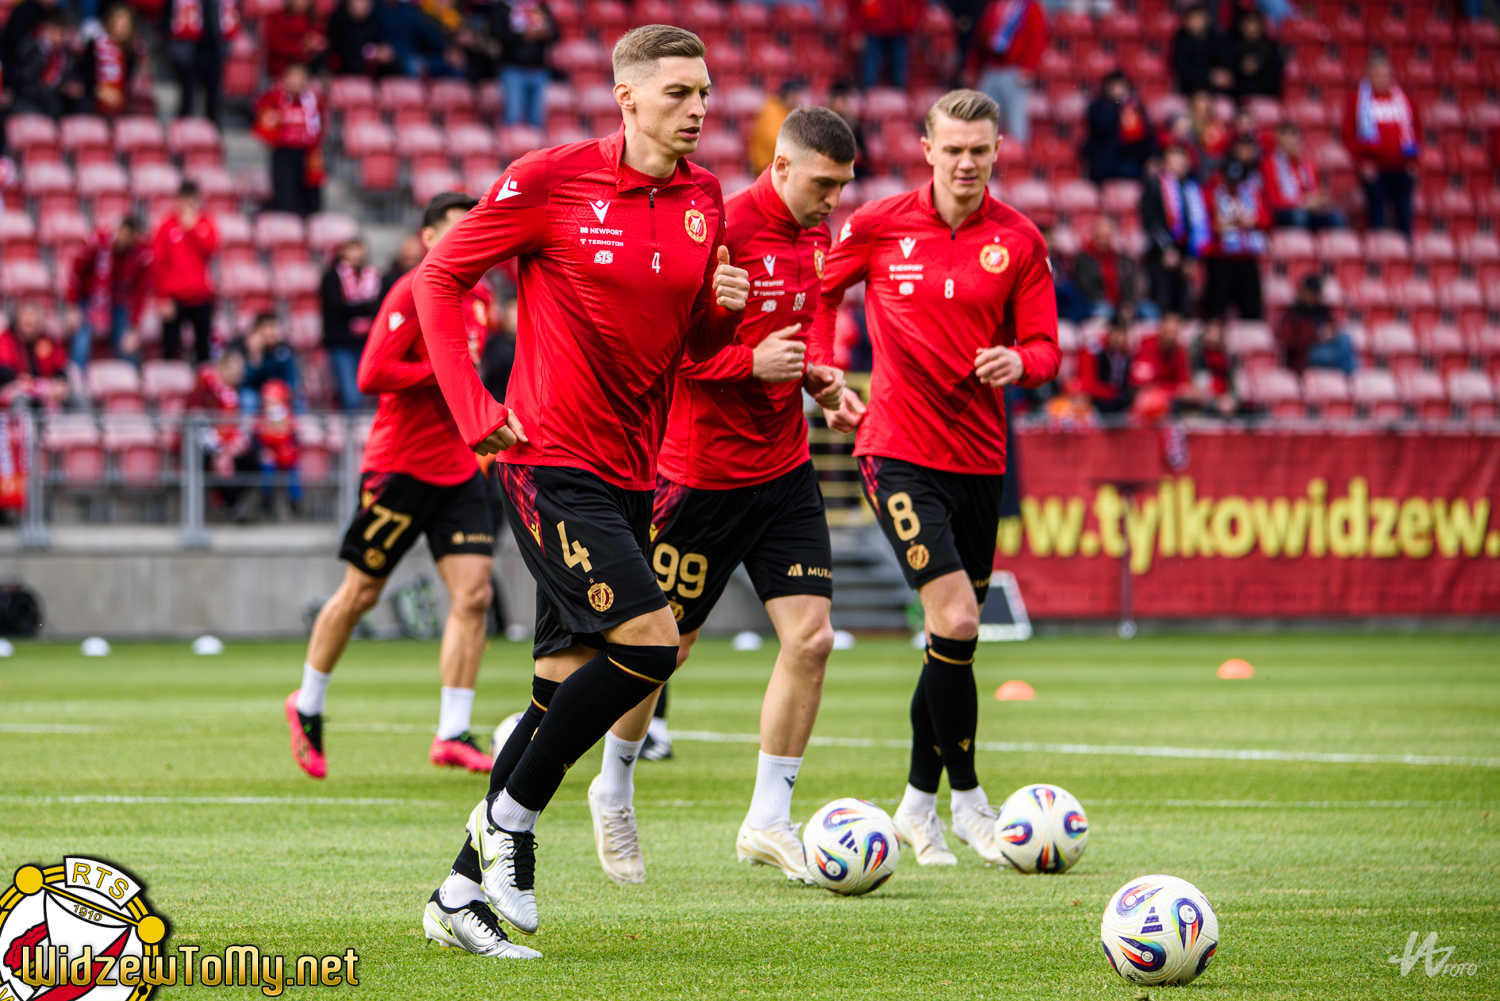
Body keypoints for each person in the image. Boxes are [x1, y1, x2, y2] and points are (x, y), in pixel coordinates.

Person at [411, 25, 750, 955]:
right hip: (548, 459)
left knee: (556, 689)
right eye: (678, 92)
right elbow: (439, 278)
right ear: (626, 96)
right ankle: (509, 821)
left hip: (631, 470)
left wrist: (723, 316)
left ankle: (457, 895)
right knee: (653, 644)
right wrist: (472, 405)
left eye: (705, 91)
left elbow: (688, 345)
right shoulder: (551, 179)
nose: (698, 108)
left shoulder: (706, 199)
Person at [583, 107, 855, 886]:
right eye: (824, 183)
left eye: (843, 186)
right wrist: (749, 364)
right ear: (781, 166)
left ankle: (769, 819)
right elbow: (665, 350)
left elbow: (806, 323)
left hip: (785, 471)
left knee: (812, 638)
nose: (834, 200)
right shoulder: (718, 229)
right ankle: (614, 785)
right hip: (698, 476)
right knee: (662, 648)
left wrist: (817, 375)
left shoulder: (817, 237)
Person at [811, 90, 1060, 867]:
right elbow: (821, 292)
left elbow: (1047, 347)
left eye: (979, 150)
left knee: (951, 636)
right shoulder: (879, 224)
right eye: (952, 148)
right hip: (896, 448)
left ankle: (918, 804)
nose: (965, 162)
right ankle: (970, 802)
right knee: (954, 618)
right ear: (926, 149)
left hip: (980, 457)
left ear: (997, 151)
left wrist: (1020, 361)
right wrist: (824, 372)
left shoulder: (1019, 240)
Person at [287, 191, 500, 796]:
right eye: (457, 230)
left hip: (457, 471)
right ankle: (308, 702)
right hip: (399, 469)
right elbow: (371, 374)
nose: (469, 240)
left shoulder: (480, 300)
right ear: (429, 239)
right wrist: (441, 370)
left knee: (475, 594)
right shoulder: (411, 291)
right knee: (361, 593)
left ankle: (452, 732)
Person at [1344, 54, 1420, 239]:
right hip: (1374, 170)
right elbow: (1348, 134)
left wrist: (1414, 161)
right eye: (1377, 74)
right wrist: (1361, 162)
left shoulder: (1405, 101)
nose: (1382, 78)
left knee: (1405, 215)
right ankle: (1378, 252)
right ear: (1368, 75)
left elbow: (1417, 130)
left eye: (1385, 74)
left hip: (1403, 168)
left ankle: (1405, 251)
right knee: (1377, 217)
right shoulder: (1357, 101)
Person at [67, 216, 150, 370]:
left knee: (127, 344)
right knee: (81, 342)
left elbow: (140, 292)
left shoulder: (139, 255)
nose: (124, 239)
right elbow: (76, 273)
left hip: (118, 300)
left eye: (129, 236)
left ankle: (130, 379)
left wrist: (134, 327)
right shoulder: (97, 244)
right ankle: (75, 376)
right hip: (90, 297)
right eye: (122, 233)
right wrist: (73, 306)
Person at [1202, 133, 1268, 320]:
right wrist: (1218, 224)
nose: (1234, 183)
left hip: (1247, 257)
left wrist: (1252, 220)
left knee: (1251, 312)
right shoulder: (1212, 190)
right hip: (1220, 257)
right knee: (1216, 311)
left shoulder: (1251, 191)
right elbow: (1203, 221)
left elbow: (1266, 218)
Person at [152, 181, 219, 364]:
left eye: (192, 201)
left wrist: (193, 229)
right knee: (171, 349)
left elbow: (211, 248)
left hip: (200, 295)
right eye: (185, 200)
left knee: (203, 350)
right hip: (175, 297)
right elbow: (159, 263)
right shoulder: (167, 225)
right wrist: (163, 297)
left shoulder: (205, 223)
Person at [1140, 146, 1209, 317]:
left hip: (1184, 253)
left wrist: (1191, 256)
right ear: (1165, 165)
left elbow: (1197, 224)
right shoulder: (1155, 187)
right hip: (1162, 253)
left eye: (1181, 162)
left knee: (1183, 303)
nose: (1178, 167)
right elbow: (1152, 222)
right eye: (1173, 163)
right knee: (1163, 302)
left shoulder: (1191, 189)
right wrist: (1167, 249)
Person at [966, 0, 1045, 146]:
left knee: (1016, 120)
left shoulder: (1029, 7)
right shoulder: (994, 5)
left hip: (1014, 71)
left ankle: (1018, 156)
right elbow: (980, 37)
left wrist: (1029, 67)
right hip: (990, 69)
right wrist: (974, 66)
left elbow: (1037, 38)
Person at [253, 62, 325, 217]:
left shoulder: (314, 100)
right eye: (292, 77)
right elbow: (261, 117)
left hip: (308, 153)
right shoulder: (274, 97)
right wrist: (270, 137)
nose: (295, 81)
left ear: (306, 81)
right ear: (285, 79)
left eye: (300, 78)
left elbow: (320, 125)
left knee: (312, 201)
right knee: (284, 199)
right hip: (283, 153)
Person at [320, 238, 382, 410]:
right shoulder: (332, 277)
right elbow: (337, 309)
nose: (356, 254)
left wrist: (357, 308)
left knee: (368, 394)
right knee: (351, 396)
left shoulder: (374, 275)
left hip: (367, 343)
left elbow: (380, 305)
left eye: (359, 249)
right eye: (351, 249)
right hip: (341, 344)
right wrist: (367, 307)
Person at [165, 0, 237, 124]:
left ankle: (212, 130)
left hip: (213, 47)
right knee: (187, 97)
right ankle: (183, 130)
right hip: (188, 46)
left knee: (212, 99)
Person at [1262, 122, 1342, 230]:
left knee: (1335, 218)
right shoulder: (1270, 163)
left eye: (1293, 135)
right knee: (1299, 217)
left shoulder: (1307, 163)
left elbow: (1316, 190)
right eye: (1286, 135)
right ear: (1278, 139)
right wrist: (1301, 203)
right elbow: (1273, 199)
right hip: (1285, 210)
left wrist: (1318, 200)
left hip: (1308, 209)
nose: (1290, 140)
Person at [491, 0, 556, 128]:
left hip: (538, 68)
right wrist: (523, 36)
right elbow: (496, 32)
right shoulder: (504, 7)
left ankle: (535, 141)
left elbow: (555, 33)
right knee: (513, 116)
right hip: (513, 67)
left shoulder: (539, 7)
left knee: (537, 118)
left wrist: (543, 34)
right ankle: (511, 140)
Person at [1081, 71, 1155, 183]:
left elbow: (1145, 136)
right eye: (1116, 86)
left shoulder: (1134, 109)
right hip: (1105, 164)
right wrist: (1118, 103)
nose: (1120, 90)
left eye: (1123, 86)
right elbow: (1103, 126)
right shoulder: (1096, 107)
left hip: (1131, 160)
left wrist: (1151, 157)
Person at [9, 9, 83, 118]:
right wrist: (60, 89)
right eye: (56, 32)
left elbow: (72, 75)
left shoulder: (67, 53)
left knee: (82, 105)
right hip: (29, 99)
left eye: (63, 33)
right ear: (45, 30)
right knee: (52, 106)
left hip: (56, 98)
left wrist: (73, 86)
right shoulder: (32, 50)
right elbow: (26, 85)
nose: (59, 38)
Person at [74, 4, 143, 117]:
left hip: (120, 104)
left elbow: (130, 82)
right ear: (110, 22)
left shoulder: (130, 52)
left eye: (125, 24)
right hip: (93, 102)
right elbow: (83, 75)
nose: (122, 27)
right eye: (119, 23)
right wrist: (98, 91)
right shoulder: (95, 44)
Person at [1277, 274, 1354, 375]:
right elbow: (1289, 342)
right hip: (1306, 354)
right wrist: (1317, 335)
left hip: (1327, 347)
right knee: (1350, 361)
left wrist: (1332, 332)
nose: (1313, 297)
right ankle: (1347, 375)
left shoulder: (1323, 311)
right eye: (1311, 293)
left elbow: (1334, 327)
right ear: (1303, 292)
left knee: (1344, 338)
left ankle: (1347, 376)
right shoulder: (1293, 314)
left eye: (1316, 294)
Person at [0, 304, 69, 408]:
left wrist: (59, 384)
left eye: (33, 323)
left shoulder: (46, 340)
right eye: (26, 322)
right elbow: (5, 372)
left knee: (75, 395)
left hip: (44, 390)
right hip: (13, 389)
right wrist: (27, 383)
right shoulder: (7, 339)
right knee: (21, 400)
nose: (29, 323)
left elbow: (59, 368)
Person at [1073, 216, 1140, 318]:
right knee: (1105, 311)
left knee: (1149, 310)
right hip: (1096, 303)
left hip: (1120, 304)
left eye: (1107, 236)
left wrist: (1127, 304)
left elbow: (1129, 284)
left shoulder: (1119, 258)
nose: (1103, 240)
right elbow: (1086, 288)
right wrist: (1115, 308)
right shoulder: (1084, 258)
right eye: (1100, 235)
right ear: (1094, 234)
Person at [853, 0, 922, 90]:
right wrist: (855, 29)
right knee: (869, 76)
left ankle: (899, 96)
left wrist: (913, 22)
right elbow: (854, 5)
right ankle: (867, 93)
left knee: (899, 77)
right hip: (873, 30)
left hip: (899, 30)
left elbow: (919, 4)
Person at [238, 312, 299, 412]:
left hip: (278, 392)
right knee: (248, 398)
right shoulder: (246, 349)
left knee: (298, 401)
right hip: (257, 394)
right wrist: (255, 356)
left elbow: (291, 379)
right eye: (268, 327)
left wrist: (281, 392)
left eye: (274, 327)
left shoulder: (284, 350)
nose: (272, 332)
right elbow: (244, 382)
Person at [1131, 311, 1195, 403]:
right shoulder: (1146, 345)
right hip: (1148, 398)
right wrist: (1173, 390)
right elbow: (1142, 384)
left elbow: (1184, 385)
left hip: (1171, 400)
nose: (1170, 337)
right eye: (1168, 332)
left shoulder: (1181, 352)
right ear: (1161, 328)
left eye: (1174, 333)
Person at [1170, 3, 1231, 97]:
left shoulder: (1216, 38)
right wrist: (1208, 76)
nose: (1198, 21)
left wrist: (1223, 75)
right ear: (1186, 21)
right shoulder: (1180, 41)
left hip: (1214, 91)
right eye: (1194, 18)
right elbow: (1182, 70)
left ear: (1208, 19)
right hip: (1189, 91)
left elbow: (1224, 65)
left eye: (1201, 17)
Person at [1078, 313, 1133, 414]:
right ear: (1109, 331)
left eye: (1124, 333)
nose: (1120, 338)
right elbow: (1088, 385)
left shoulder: (1125, 353)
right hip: (1097, 402)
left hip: (1117, 401)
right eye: (1117, 332)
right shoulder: (1094, 350)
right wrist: (1113, 392)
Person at [325, 0, 395, 76]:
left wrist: (381, 52)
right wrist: (368, 52)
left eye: (366, 2)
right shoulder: (338, 20)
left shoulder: (375, 20)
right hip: (341, 72)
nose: (362, 5)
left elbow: (380, 45)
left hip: (371, 74)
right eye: (358, 2)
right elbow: (338, 50)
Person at [746, 80, 800, 176]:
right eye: (795, 96)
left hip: (777, 166)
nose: (797, 100)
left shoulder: (785, 111)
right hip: (766, 168)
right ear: (788, 95)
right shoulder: (771, 112)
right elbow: (778, 141)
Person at [263, 0, 326, 78]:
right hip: (280, 70)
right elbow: (275, 44)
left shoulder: (313, 19)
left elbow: (319, 39)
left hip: (306, 71)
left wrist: (316, 43)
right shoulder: (278, 17)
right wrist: (301, 47)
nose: (301, 2)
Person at [1229, 8, 1281, 99]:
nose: (1253, 27)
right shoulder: (1232, 46)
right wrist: (1241, 67)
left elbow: (1276, 72)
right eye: (1249, 22)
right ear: (1241, 25)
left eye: (1255, 22)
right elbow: (1227, 76)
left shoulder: (1270, 47)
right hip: (1238, 96)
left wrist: (1259, 65)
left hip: (1265, 96)